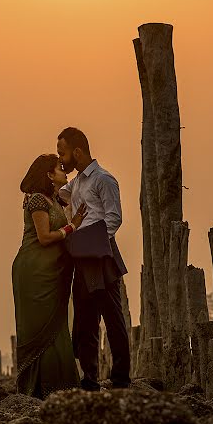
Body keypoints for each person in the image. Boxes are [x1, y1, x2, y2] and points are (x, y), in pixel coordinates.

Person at [57, 127, 131, 390]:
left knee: (113, 319)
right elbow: (56, 193)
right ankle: (89, 378)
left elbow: (114, 218)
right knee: (85, 321)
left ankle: (121, 377)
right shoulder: (74, 184)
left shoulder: (104, 179)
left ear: (77, 151)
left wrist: (89, 243)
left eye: (62, 153)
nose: (61, 159)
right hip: (82, 257)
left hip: (100, 256)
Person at [12, 154, 87, 398]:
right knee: (38, 328)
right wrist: (72, 226)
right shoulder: (36, 200)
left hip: (53, 272)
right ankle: (36, 389)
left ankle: (61, 386)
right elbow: (44, 237)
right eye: (59, 168)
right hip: (34, 272)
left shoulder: (55, 199)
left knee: (57, 326)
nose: (65, 172)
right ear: (48, 175)